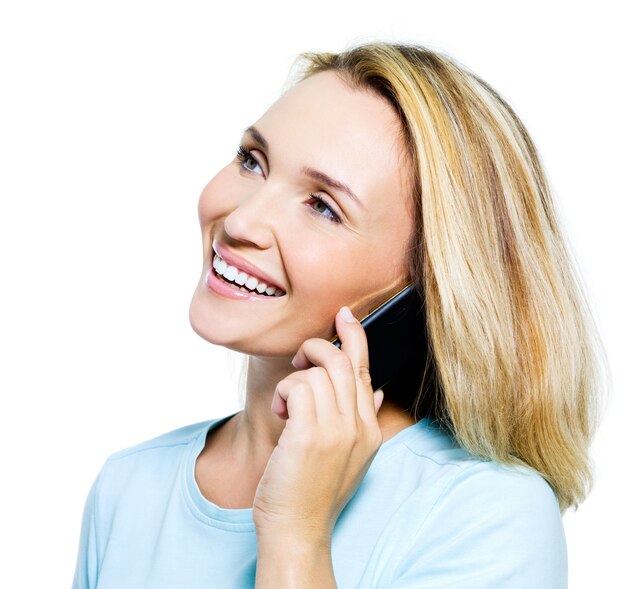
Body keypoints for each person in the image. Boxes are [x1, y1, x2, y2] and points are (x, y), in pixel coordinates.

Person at [71, 41, 606, 588]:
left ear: (424, 291)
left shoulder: (487, 517)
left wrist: (296, 533)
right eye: (252, 161)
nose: (240, 223)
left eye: (323, 205)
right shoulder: (127, 488)